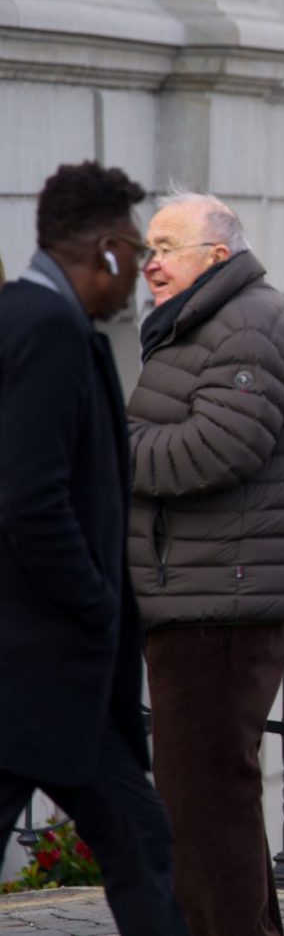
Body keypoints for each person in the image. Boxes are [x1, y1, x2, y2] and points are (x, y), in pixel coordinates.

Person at [125, 191, 284, 936]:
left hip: (223, 600)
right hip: (205, 591)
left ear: (216, 255)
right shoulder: (209, 321)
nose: (151, 263)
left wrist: (109, 445)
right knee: (210, 791)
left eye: (166, 248)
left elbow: (215, 449)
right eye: (148, 249)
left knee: (203, 794)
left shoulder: (246, 324)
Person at [0, 161, 190, 936]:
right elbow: (30, 494)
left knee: (139, 838)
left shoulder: (36, 321)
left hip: (51, 670)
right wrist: (94, 599)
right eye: (135, 251)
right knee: (139, 841)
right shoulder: (46, 330)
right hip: (41, 663)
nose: (140, 269)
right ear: (107, 250)